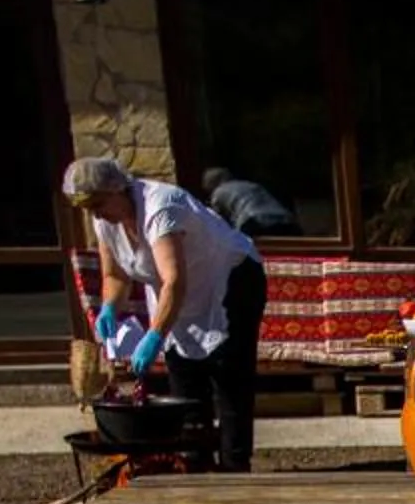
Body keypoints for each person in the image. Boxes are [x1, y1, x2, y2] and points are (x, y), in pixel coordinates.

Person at [65, 155, 266, 473]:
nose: (96, 214)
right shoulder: (105, 219)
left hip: (228, 281)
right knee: (184, 376)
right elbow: (115, 276)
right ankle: (197, 465)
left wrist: (154, 335)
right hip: (178, 293)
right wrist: (108, 308)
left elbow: (174, 280)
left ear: (117, 190)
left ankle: (235, 468)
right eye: (90, 208)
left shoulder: (160, 207)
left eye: (99, 204)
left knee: (228, 377)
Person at [202, 165, 302, 239]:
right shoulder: (250, 185)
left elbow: (217, 221)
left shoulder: (218, 192)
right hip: (285, 220)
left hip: (255, 222)